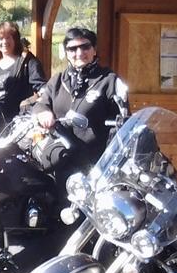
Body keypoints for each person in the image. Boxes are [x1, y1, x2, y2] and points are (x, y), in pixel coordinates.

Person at [33, 27, 127, 171]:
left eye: (85, 47)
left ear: (94, 50)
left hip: (93, 163)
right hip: (60, 156)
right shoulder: (57, 80)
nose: (79, 53)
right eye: (72, 49)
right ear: (66, 53)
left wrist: (110, 162)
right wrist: (44, 112)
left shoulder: (109, 80)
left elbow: (122, 122)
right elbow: (41, 104)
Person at [0, 21, 47, 129]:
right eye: (1, 38)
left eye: (8, 38)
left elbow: (43, 88)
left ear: (15, 39)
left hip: (18, 126)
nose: (4, 42)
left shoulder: (28, 61)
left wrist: (35, 105)